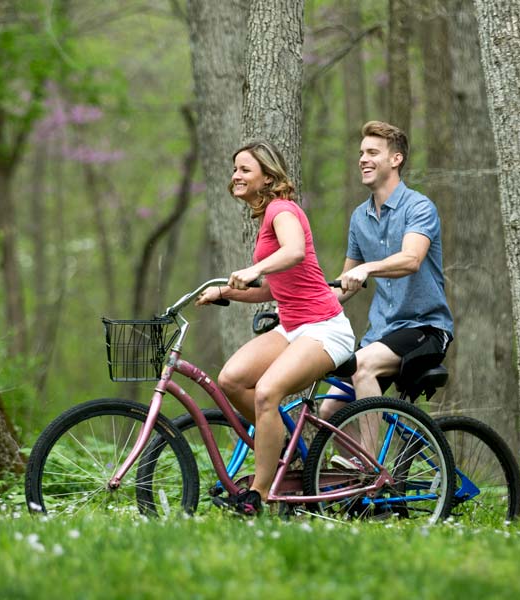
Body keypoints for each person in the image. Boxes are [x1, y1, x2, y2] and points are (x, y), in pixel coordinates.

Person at [195, 140, 355, 516]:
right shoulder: (267, 217)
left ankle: (259, 495)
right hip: (293, 326)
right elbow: (273, 289)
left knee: (267, 391)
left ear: (268, 177)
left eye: (245, 170)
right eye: (234, 169)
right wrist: (225, 292)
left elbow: (295, 251)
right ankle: (276, 439)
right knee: (232, 379)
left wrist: (254, 268)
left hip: (325, 328)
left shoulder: (283, 210)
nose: (236, 175)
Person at [321, 120, 454, 431]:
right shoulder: (359, 217)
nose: (363, 159)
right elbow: (344, 284)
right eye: (361, 153)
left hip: (425, 329)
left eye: (372, 152)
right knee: (328, 412)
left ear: (396, 159)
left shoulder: (419, 207)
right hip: (380, 333)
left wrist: (367, 268)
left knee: (363, 366)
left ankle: (370, 469)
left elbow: (411, 259)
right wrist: (297, 310)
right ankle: (353, 476)